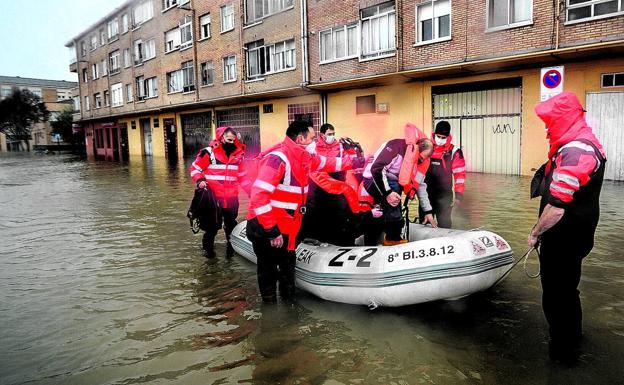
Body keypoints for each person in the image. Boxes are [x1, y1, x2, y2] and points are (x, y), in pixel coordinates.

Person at [246, 120, 364, 303]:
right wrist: (271, 231)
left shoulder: (304, 158)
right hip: (267, 226)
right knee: (267, 271)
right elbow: (259, 196)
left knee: (287, 269)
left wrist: (357, 160)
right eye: (312, 138)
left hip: (288, 227)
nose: (315, 142)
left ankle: (288, 313)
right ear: (300, 138)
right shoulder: (278, 158)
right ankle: (270, 313)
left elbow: (330, 163)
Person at [528, 92, 606, 364]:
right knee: (568, 291)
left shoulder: (577, 150)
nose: (548, 128)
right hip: (575, 237)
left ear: (564, 119)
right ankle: (573, 340)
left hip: (564, 239)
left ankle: (563, 354)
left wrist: (536, 232)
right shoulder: (580, 144)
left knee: (556, 295)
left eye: (551, 122)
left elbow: (558, 205)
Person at [360, 123, 436, 246]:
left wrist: (428, 211)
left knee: (395, 192)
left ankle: (389, 231)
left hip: (390, 184)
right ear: (416, 150)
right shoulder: (395, 147)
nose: (420, 161)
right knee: (394, 191)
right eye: (420, 158)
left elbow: (420, 186)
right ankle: (392, 238)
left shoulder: (420, 162)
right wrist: (388, 193)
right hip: (372, 180)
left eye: (423, 160)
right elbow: (377, 169)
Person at [189, 126, 251, 258]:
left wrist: (251, 192)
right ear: (221, 137)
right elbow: (195, 169)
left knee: (231, 225)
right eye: (229, 139)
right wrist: (200, 180)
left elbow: (243, 177)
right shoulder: (208, 153)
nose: (232, 142)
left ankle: (231, 251)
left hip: (231, 199)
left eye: (234, 140)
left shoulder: (239, 155)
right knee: (211, 228)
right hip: (213, 199)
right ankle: (208, 253)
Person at [419, 121, 466, 228]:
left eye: (443, 137)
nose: (440, 139)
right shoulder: (425, 147)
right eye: (438, 136)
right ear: (434, 134)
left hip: (444, 196)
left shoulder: (454, 152)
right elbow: (416, 170)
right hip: (425, 194)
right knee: (423, 223)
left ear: (448, 136)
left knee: (445, 224)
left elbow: (460, 176)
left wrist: (458, 195)